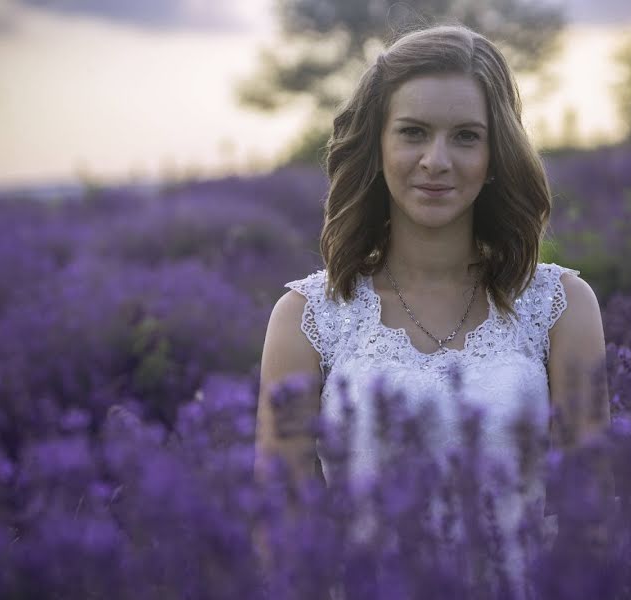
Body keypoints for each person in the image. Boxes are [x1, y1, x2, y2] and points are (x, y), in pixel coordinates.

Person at [253, 22, 610, 596]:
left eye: (467, 136)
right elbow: (283, 530)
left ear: (496, 154)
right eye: (413, 133)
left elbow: (587, 518)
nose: (436, 161)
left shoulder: (561, 307)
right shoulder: (307, 318)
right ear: (379, 145)